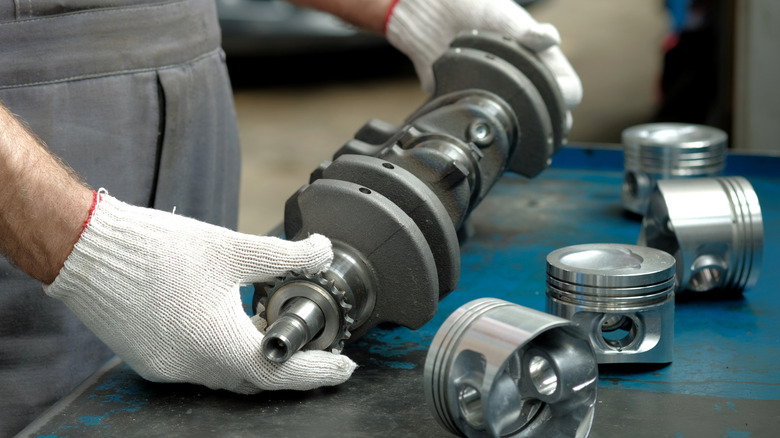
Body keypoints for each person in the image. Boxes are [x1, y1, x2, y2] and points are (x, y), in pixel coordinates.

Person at [0, 0, 581, 435]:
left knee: (197, 395)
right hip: (26, 140)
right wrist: (91, 249)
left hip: (190, 75)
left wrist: (406, 8)